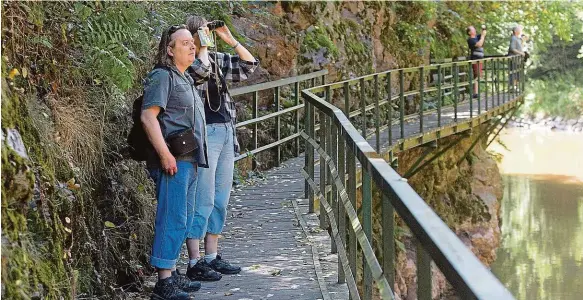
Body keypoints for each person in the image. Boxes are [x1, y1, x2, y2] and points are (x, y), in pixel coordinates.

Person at [183, 15, 259, 282]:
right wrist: (200, 47)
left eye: (207, 31)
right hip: (204, 136)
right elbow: (199, 73)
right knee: (201, 199)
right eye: (201, 31)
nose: (207, 35)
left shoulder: (215, 58)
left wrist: (229, 39)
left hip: (227, 131)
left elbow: (250, 65)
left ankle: (211, 256)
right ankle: (194, 261)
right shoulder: (185, 62)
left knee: (220, 198)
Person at [141, 24, 208, 300]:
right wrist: (165, 154)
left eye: (192, 42)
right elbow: (149, 117)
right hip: (174, 160)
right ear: (169, 50)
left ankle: (172, 271)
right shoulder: (162, 76)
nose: (191, 46)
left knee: (183, 217)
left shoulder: (185, 77)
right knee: (172, 217)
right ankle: (164, 281)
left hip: (190, 159)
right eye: (184, 43)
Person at [466, 25, 487, 98]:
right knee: (477, 75)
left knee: (478, 75)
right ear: (469, 32)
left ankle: (476, 92)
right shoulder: (470, 40)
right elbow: (479, 44)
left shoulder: (477, 37)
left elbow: (483, 34)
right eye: (472, 29)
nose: (474, 30)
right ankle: (475, 92)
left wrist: (483, 29)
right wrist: (483, 36)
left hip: (480, 59)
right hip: (475, 59)